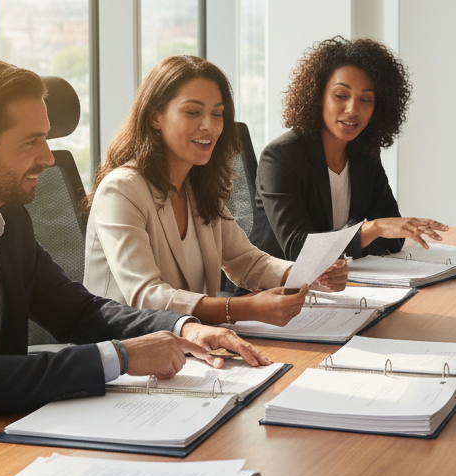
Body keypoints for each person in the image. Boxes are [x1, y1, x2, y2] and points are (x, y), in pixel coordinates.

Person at [0, 61, 266, 451]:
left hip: (4, 426)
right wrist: (121, 356)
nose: (48, 158)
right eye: (31, 141)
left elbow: (78, 312)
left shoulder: (7, 216)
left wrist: (185, 327)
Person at [84, 56, 347, 326]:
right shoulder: (121, 190)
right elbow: (146, 296)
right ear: (155, 118)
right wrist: (241, 308)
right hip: (126, 351)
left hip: (192, 345)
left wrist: (308, 272)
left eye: (217, 114)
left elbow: (246, 261)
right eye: (192, 112)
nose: (209, 126)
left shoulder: (196, 186)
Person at [252, 36, 448, 260]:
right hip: (275, 289)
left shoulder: (365, 153)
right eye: (340, 96)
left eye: (365, 100)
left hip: (337, 284)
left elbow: (394, 239)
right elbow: (299, 248)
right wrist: (372, 230)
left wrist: (368, 234)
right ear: (318, 96)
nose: (352, 109)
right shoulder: (281, 157)